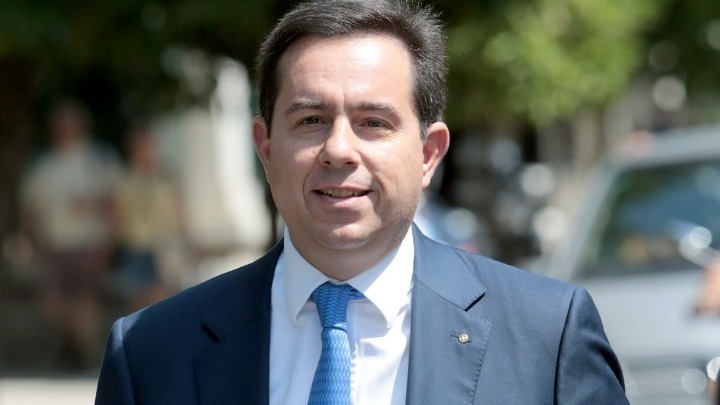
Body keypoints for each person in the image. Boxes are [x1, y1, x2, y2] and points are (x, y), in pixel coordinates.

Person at [95, 0, 628, 403]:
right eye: (311, 120)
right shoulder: (150, 353)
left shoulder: (546, 337)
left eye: (373, 123)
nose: (339, 150)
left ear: (428, 153)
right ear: (265, 147)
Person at [20, 100, 121, 369]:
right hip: (55, 245)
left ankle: (83, 354)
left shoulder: (97, 159)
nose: (63, 130)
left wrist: (108, 241)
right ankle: (75, 346)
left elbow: (114, 204)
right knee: (52, 303)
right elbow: (31, 208)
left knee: (85, 301)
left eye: (68, 125)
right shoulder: (44, 164)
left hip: (88, 242)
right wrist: (31, 241)